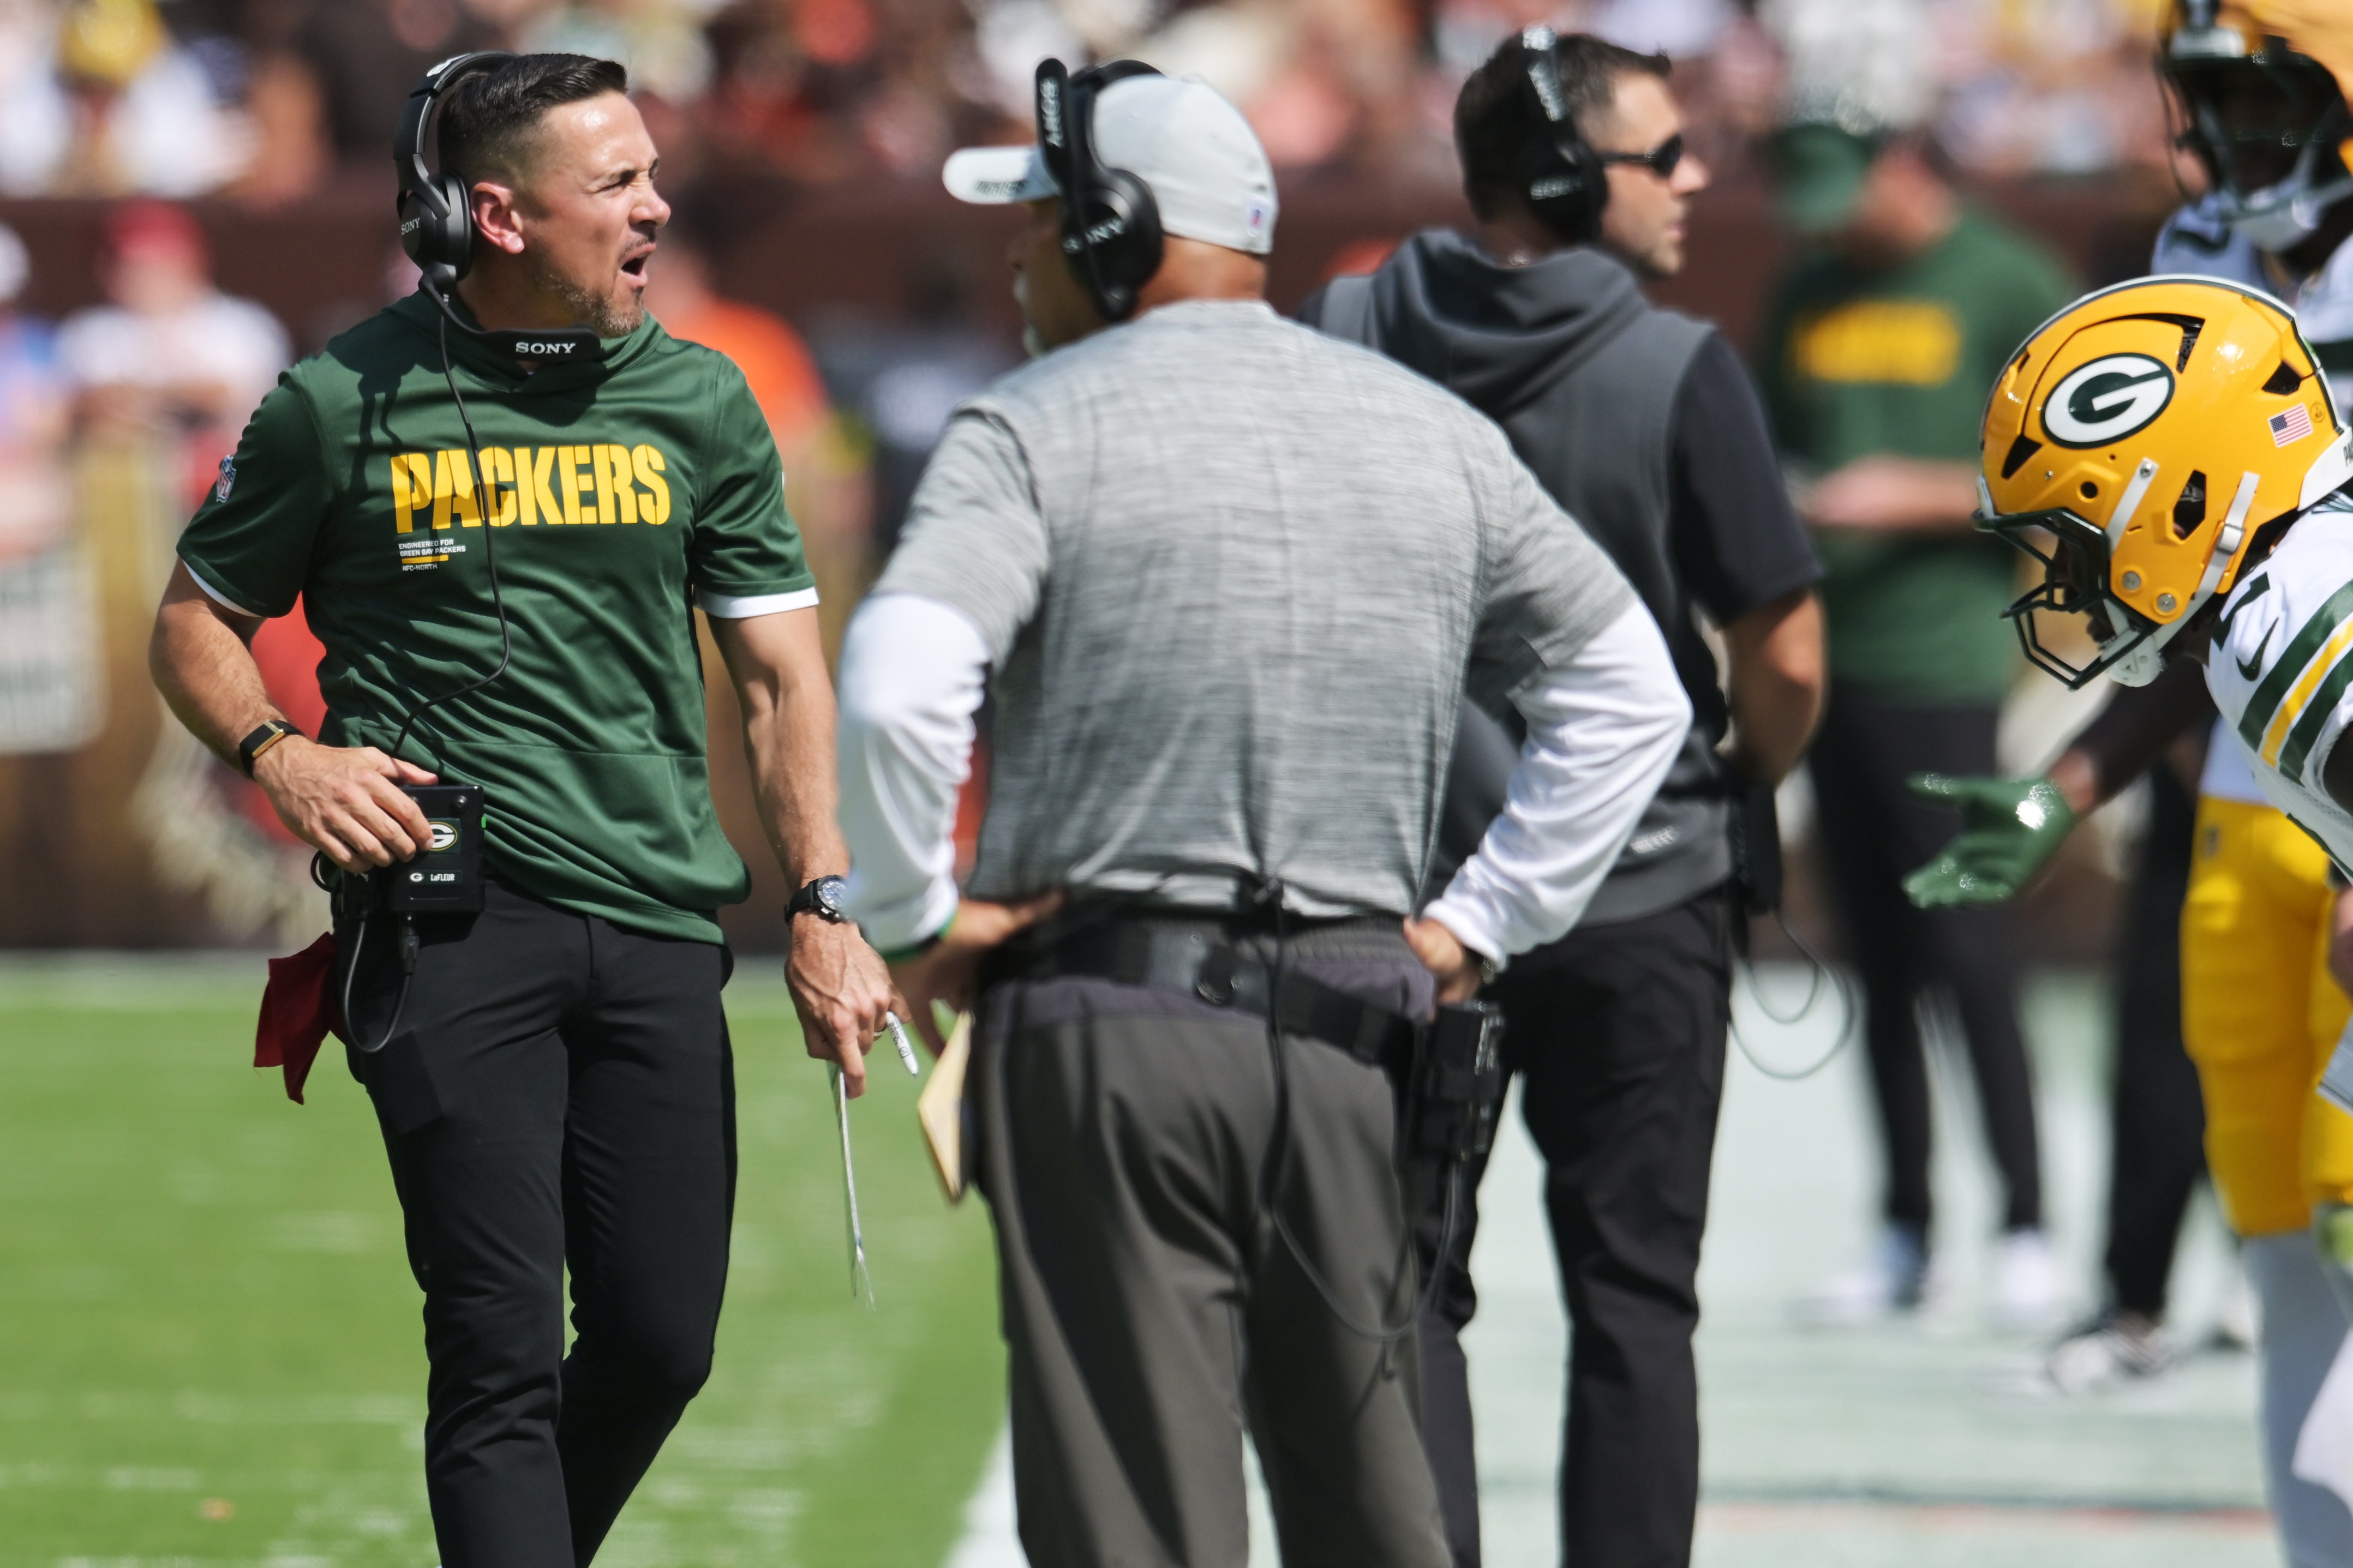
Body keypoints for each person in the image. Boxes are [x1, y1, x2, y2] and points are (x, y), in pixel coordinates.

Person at [833, 62, 1691, 1568]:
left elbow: (901, 682)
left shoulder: (1030, 421)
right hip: (1368, 1028)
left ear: (1113, 229)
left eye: (1039, 216)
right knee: (1378, 1519)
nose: (1018, 253)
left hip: (1112, 1026)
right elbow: (1635, 694)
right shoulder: (1432, 434)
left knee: (1140, 1528)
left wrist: (912, 917)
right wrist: (1480, 922)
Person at [146, 53, 898, 1566]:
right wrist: (283, 755)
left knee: (661, 1336)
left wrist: (822, 904)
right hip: (448, 924)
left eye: (648, 172)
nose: (655, 205)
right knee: (492, 1354)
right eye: (615, 182)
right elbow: (192, 617)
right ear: (497, 215)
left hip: (658, 920)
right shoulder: (337, 398)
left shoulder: (702, 398)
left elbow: (780, 685)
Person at [1298, 31, 1824, 1568]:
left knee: (1392, 1291)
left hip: (1397, 898)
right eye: (1663, 155)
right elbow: (1784, 647)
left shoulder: (1336, 327)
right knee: (1634, 1300)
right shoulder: (1679, 363)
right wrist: (1736, 779)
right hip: (1638, 891)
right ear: (1559, 174)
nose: (1694, 180)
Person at [1908, 3, 2353, 1552]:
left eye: (2271, 98)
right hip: (2263, 786)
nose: (2235, 141)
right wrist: (2071, 783)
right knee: (2286, 1232)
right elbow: (2194, 582)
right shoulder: (2199, 262)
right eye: (2213, 102)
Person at [1755, 110, 2078, 1326]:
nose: (1831, 219)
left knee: (1965, 946)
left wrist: (1921, 494)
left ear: (1902, 164)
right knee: (1873, 959)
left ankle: (2027, 1223)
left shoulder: (2003, 277)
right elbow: (1766, 441)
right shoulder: (1805, 283)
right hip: (1821, 656)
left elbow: (2075, 472)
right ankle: (1902, 1226)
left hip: (1941, 659)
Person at [59, 200, 290, 509]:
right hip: (129, 490)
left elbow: (235, 400)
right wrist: (175, 395)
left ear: (191, 262)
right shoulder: (92, 331)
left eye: (153, 263)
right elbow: (91, 406)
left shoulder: (242, 324)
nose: (137, 276)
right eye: (123, 263)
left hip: (228, 489)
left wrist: (149, 397)